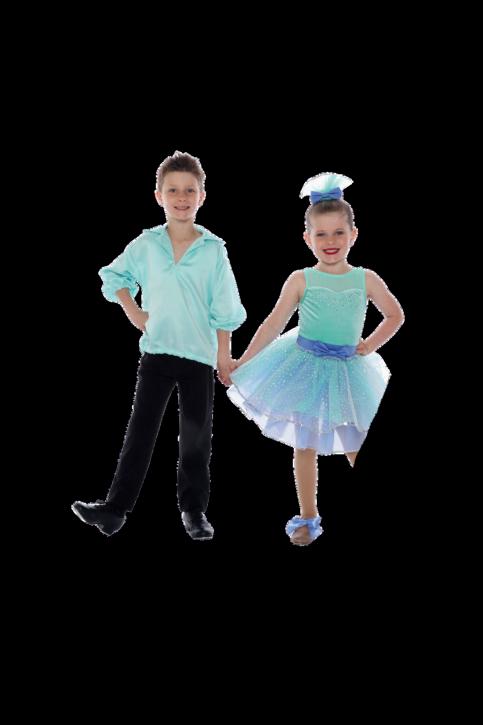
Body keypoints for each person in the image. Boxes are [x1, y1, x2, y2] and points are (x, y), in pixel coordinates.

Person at [72, 151, 245, 539]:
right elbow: (114, 275)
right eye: (173, 190)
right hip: (157, 353)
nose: (181, 198)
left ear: (202, 196)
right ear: (159, 196)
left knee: (196, 437)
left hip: (198, 357)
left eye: (189, 190)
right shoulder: (147, 244)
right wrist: (134, 311)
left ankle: (194, 511)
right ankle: (115, 509)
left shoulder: (213, 250)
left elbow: (224, 308)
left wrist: (223, 356)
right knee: (140, 432)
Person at [226, 172, 404, 546]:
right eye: (321, 234)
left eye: (338, 232)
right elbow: (273, 323)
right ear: (307, 238)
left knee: (356, 440)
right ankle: (308, 516)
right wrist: (243, 360)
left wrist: (369, 345)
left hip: (349, 370)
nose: (330, 241)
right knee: (305, 444)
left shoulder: (366, 278)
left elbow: (395, 315)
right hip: (303, 366)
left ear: (354, 234)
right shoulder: (301, 279)